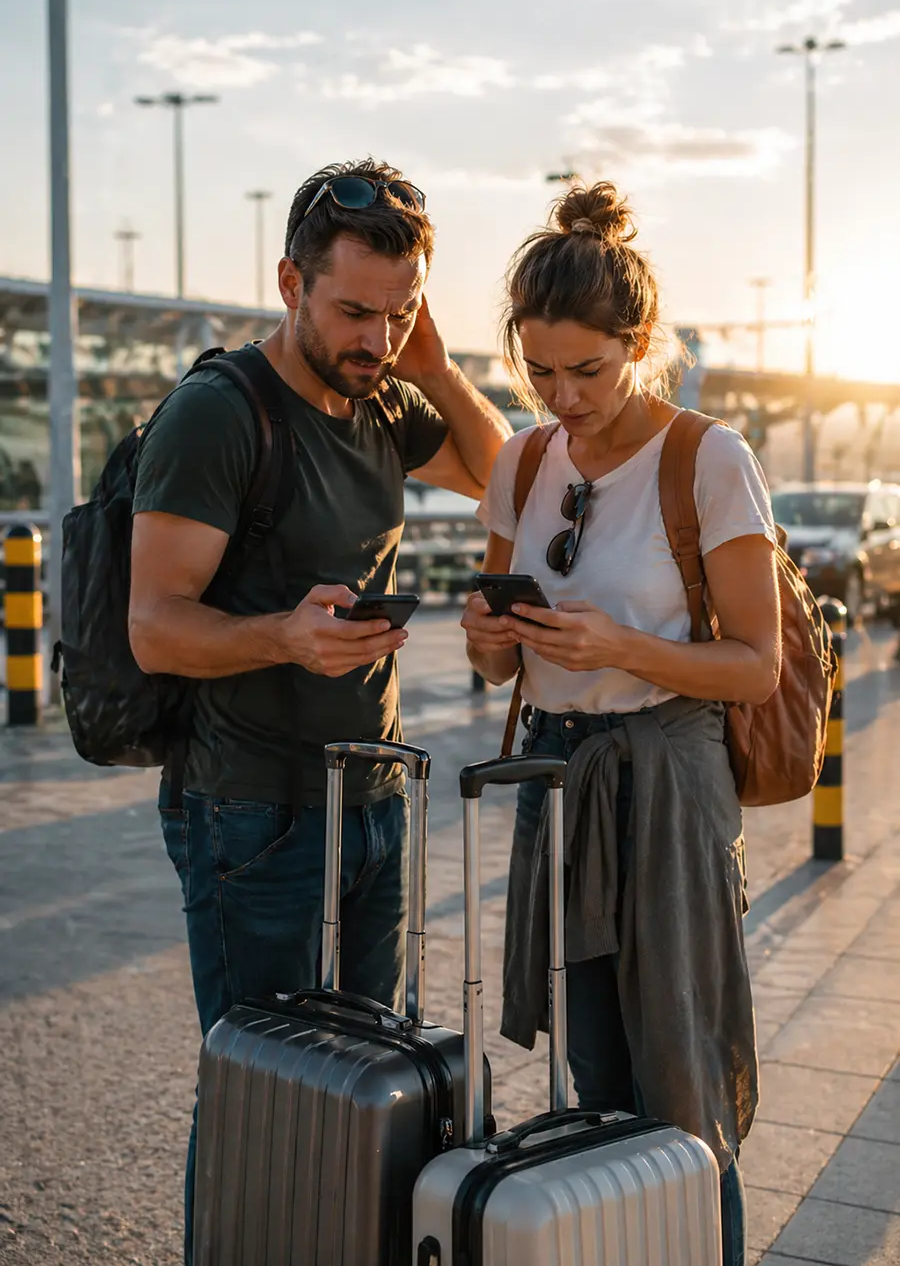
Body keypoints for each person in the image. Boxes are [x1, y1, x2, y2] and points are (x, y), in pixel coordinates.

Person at [129, 158, 511, 1262]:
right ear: (290, 279)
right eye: (353, 311)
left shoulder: (387, 398)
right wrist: (284, 635)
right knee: (264, 1098)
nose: (375, 337)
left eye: (400, 315)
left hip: (373, 797)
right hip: (253, 814)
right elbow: (157, 623)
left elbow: (506, 482)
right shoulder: (219, 412)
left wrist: (439, 371)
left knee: (363, 1092)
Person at [462, 180, 780, 1266]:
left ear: (638, 342)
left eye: (587, 371)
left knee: (680, 1085)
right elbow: (493, 657)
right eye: (538, 370)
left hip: (668, 774)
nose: (562, 395)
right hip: (558, 772)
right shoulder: (521, 460)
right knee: (592, 1079)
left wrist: (621, 647)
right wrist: (489, 632)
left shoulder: (708, 459)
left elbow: (756, 662)